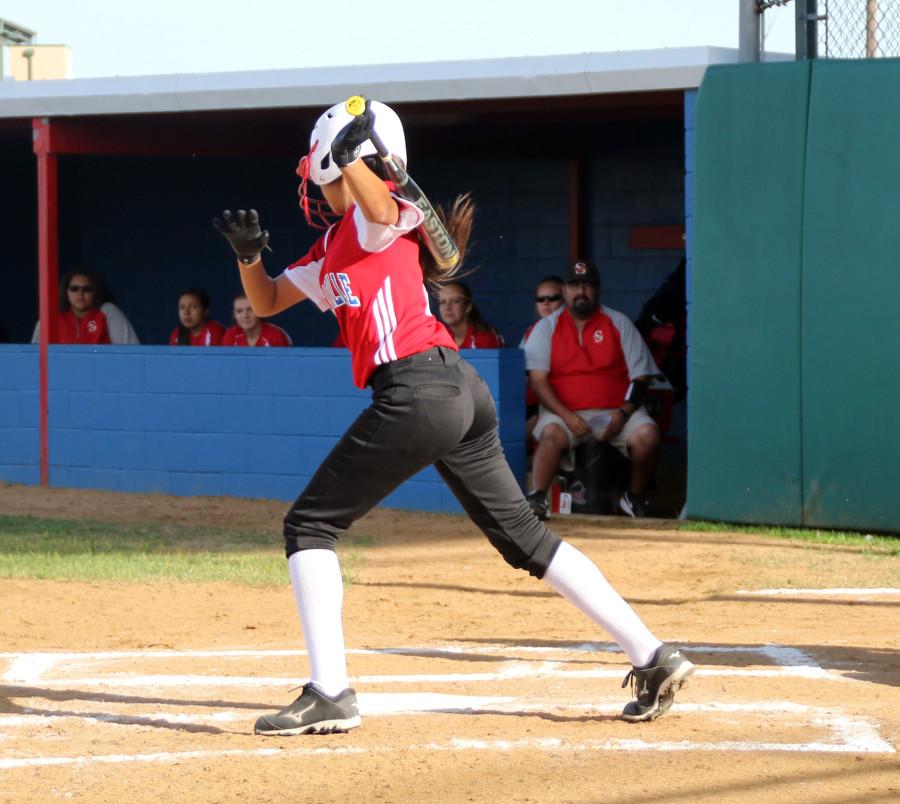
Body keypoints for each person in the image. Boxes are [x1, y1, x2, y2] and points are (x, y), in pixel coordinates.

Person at [213, 97, 693, 736]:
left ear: (345, 163)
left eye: (324, 169)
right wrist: (249, 257)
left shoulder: (384, 216)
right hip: (451, 392)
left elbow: (379, 208)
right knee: (524, 540)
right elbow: (270, 299)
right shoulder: (333, 244)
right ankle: (652, 655)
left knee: (309, 527)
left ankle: (330, 692)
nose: (317, 182)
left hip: (419, 387)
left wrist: (353, 156)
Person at [525, 260, 663, 520]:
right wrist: (567, 416)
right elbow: (538, 381)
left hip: (617, 411)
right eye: (574, 285)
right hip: (565, 413)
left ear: (598, 291)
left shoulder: (618, 322)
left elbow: (641, 377)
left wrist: (622, 415)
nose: (581, 292)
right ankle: (537, 498)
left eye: (587, 286)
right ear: (565, 291)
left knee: (648, 436)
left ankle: (632, 497)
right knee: (551, 433)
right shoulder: (547, 327)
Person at [31, 268, 140, 345]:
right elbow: (34, 355)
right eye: (74, 289)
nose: (80, 293)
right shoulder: (52, 316)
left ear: (95, 291)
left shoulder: (107, 311)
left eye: (87, 289)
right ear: (66, 292)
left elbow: (131, 351)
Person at [519, 276, 565, 443]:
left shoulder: (570, 330)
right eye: (541, 299)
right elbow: (520, 372)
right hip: (527, 401)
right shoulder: (532, 331)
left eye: (553, 298)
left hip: (551, 402)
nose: (546, 303)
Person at [438, 281, 505, 348]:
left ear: (468, 307)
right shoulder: (442, 337)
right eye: (442, 302)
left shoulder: (484, 337)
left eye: (455, 301)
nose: (447, 307)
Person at [222, 293, 292, 347]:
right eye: (239, 311)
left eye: (250, 310)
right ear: (234, 315)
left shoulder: (276, 335)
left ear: (259, 311)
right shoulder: (231, 334)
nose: (245, 315)